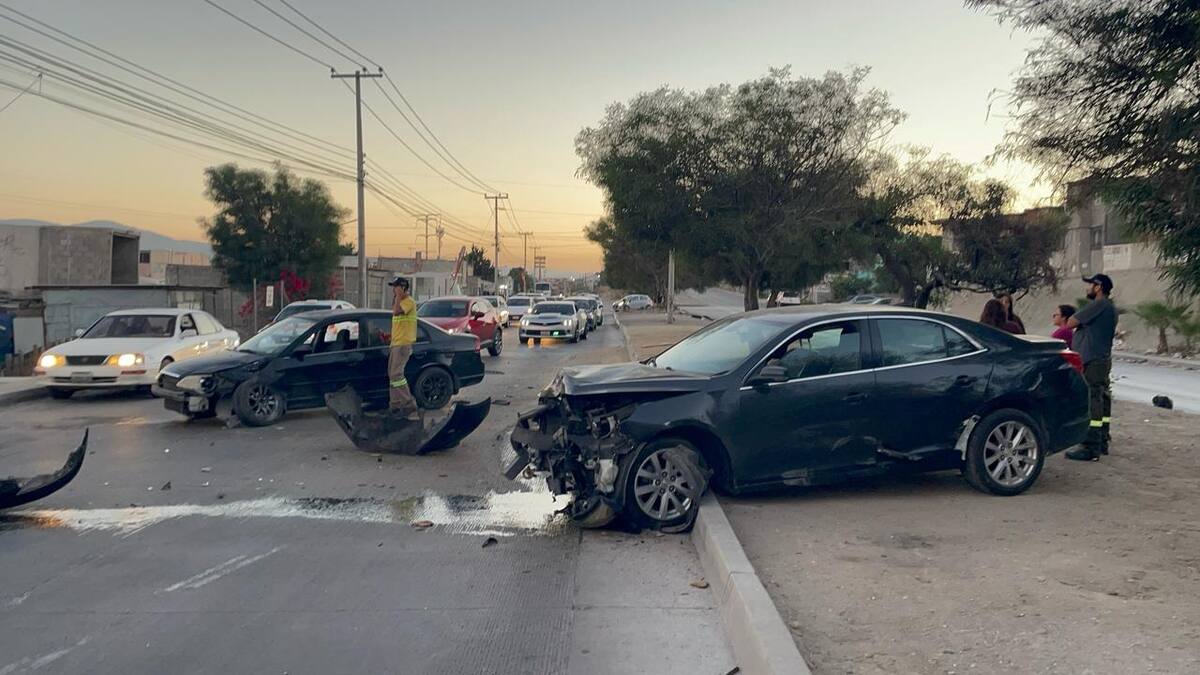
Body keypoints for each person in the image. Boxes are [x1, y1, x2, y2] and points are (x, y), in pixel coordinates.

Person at [1066, 274, 1117, 461]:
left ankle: (1091, 446)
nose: (1087, 289)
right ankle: (1102, 440)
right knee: (1102, 398)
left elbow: (1071, 322)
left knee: (1092, 399)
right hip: (1100, 358)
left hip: (1093, 360)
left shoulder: (1099, 305)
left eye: (1090, 285)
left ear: (1098, 287)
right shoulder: (1109, 307)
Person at [387, 276, 420, 421]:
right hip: (395, 344)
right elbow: (399, 322)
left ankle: (408, 403)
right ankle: (395, 405)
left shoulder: (408, 302)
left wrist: (399, 296)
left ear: (403, 288)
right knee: (392, 375)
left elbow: (396, 311)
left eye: (396, 287)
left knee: (397, 375)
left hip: (403, 345)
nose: (394, 290)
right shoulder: (400, 301)